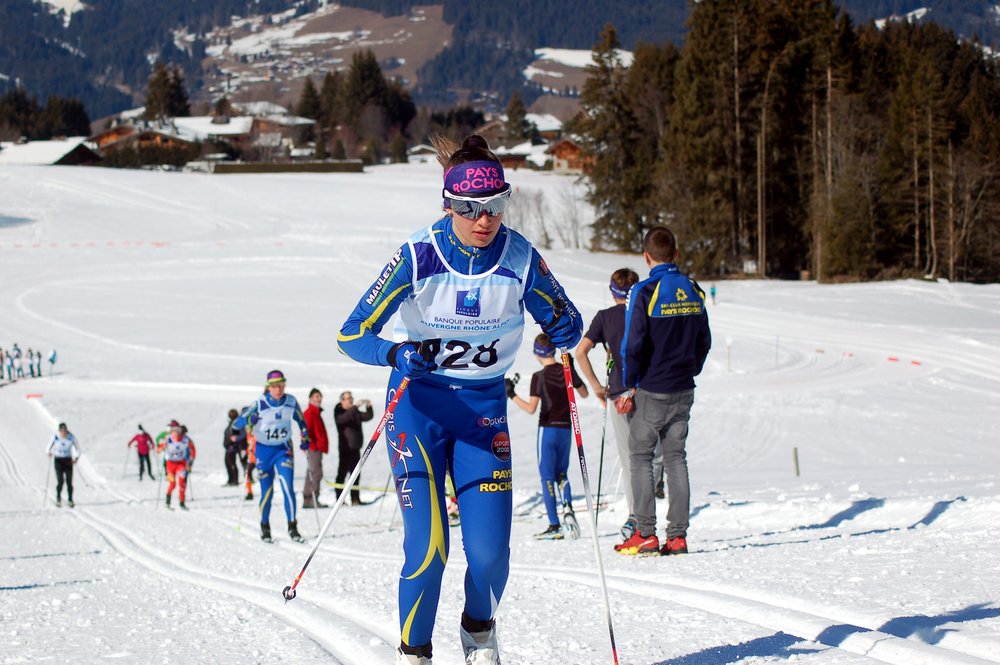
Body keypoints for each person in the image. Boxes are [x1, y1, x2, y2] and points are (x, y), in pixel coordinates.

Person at [337, 134, 582, 665]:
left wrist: (565, 328)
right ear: (447, 203)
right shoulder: (418, 254)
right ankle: (415, 653)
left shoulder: (518, 256)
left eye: (494, 205)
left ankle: (477, 632)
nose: (483, 219)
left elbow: (563, 317)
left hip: (483, 413)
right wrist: (393, 354)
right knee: (429, 552)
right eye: (469, 208)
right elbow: (352, 333)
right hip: (417, 410)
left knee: (491, 557)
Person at [615, 226, 711, 557]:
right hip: (684, 388)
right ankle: (678, 536)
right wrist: (691, 368)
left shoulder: (644, 291)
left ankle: (644, 533)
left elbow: (632, 343)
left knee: (640, 456)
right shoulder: (693, 288)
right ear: (677, 253)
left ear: (646, 257)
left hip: (653, 388)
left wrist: (631, 381)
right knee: (675, 458)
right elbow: (704, 340)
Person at [574, 267, 644, 541]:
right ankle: (648, 509)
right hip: (648, 389)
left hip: (618, 393)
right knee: (655, 455)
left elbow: (580, 352)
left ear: (612, 291)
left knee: (630, 460)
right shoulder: (644, 312)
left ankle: (636, 517)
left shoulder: (605, 318)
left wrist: (594, 386)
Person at [507, 333, 588, 540]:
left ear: (537, 353)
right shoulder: (566, 370)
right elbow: (584, 393)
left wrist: (511, 394)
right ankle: (567, 505)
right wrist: (572, 371)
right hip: (566, 430)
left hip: (547, 430)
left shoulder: (539, 377)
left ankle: (554, 524)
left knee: (547, 477)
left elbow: (531, 408)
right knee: (562, 473)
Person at [234, 370, 310, 543]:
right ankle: (265, 526)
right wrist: (249, 420)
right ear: (269, 387)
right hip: (263, 451)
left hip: (283, 449)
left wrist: (305, 437)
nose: (279, 389)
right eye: (275, 386)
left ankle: (292, 527)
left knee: (287, 488)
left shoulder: (290, 401)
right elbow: (236, 424)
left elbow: (301, 421)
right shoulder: (259, 404)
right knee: (267, 492)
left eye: (282, 385)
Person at [332, 391, 373, 506]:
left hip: (356, 448)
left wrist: (369, 407)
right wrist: (355, 407)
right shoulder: (339, 411)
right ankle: (339, 499)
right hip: (346, 449)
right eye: (348, 398)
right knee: (342, 475)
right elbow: (342, 419)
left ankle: (355, 499)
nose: (350, 400)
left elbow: (366, 417)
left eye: (351, 398)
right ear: (342, 401)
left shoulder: (354, 412)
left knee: (356, 475)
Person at [302, 388, 330, 508]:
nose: (318, 399)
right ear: (310, 398)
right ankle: (312, 499)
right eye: (316, 397)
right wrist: (310, 445)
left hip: (317, 447)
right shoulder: (310, 413)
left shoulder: (316, 412)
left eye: (319, 397)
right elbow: (305, 430)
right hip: (313, 447)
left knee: (312, 472)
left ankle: (309, 499)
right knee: (316, 473)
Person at [161, 420, 195, 509]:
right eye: (174, 431)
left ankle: (182, 503)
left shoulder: (186, 439)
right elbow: (159, 448)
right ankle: (167, 501)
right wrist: (161, 448)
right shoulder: (168, 438)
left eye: (178, 431)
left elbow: (193, 450)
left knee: (182, 484)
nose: (176, 433)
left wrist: (190, 463)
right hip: (170, 464)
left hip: (181, 464)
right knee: (172, 484)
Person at [47, 423, 80, 507]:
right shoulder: (55, 437)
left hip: (68, 460)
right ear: (59, 431)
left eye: (65, 431)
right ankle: (58, 497)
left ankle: (70, 499)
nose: (63, 433)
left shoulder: (71, 437)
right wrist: (49, 453)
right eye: (61, 431)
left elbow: (78, 449)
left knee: (69, 482)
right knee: (60, 481)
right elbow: (48, 447)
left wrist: (75, 458)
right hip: (58, 460)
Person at [223, 408, 246, 486]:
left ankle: (234, 480)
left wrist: (233, 442)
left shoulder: (235, 424)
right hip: (229, 446)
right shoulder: (232, 423)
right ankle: (231, 480)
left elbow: (236, 436)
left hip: (232, 447)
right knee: (228, 463)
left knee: (231, 463)